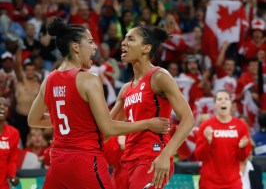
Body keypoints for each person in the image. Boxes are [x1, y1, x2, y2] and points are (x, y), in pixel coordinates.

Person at [27, 18, 170, 189]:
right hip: (85, 160)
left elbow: (33, 120)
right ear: (75, 46)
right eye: (90, 42)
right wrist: (148, 123)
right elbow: (107, 128)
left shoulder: (49, 80)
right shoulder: (88, 80)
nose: (94, 47)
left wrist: (74, 123)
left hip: (58, 162)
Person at [109, 26, 195, 189]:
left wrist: (166, 155)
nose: (124, 43)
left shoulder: (159, 76)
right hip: (126, 160)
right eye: (125, 38)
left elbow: (188, 119)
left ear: (146, 48)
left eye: (130, 39)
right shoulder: (126, 89)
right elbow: (107, 127)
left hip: (151, 156)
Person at [195, 90, 252, 189]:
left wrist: (242, 148)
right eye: (219, 99)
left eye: (226, 99)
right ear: (215, 104)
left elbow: (243, 158)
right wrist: (207, 142)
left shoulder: (241, 126)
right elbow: (199, 156)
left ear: (231, 104)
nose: (223, 101)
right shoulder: (206, 126)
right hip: (209, 183)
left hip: (233, 183)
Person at [0, 97, 20, 189]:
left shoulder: (13, 133)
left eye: (5, 105)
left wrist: (12, 176)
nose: (2, 107)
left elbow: (12, 160)